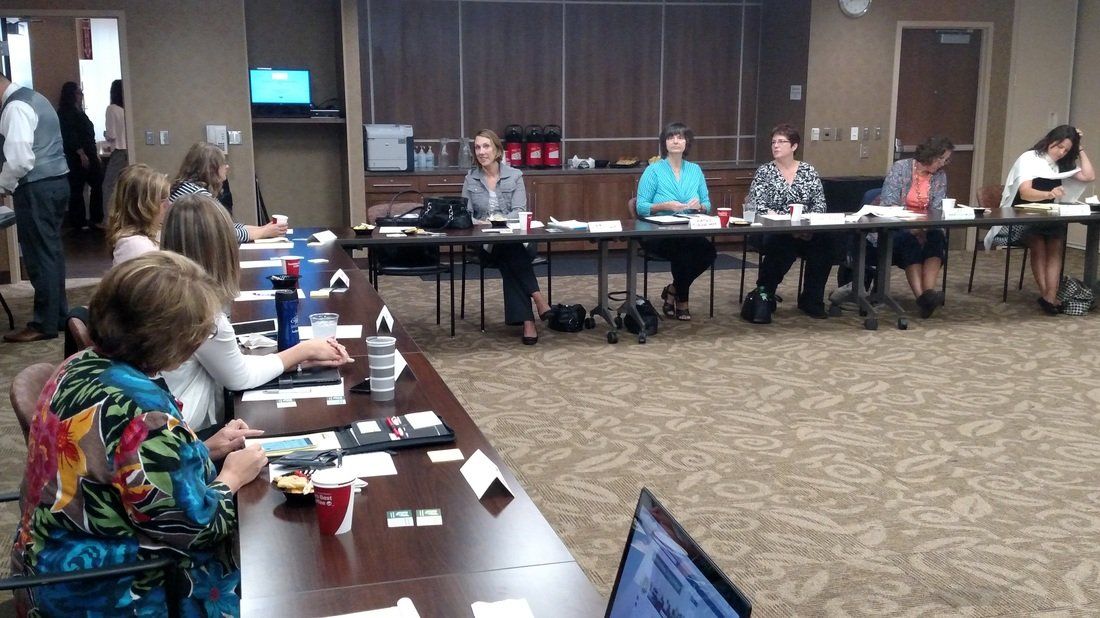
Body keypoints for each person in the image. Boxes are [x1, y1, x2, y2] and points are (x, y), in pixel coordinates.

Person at [11, 251, 269, 616]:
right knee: (277, 567)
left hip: (45, 564)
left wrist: (200, 449)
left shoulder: (79, 365)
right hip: (106, 588)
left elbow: (118, 465)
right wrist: (230, 478)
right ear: (168, 337)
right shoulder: (142, 413)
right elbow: (195, 528)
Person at [160, 193, 352, 432]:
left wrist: (300, 359)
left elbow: (227, 363)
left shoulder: (163, 294)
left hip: (162, 422)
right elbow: (239, 377)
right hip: (186, 431)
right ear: (223, 250)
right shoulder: (201, 313)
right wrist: (305, 349)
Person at [987, 125, 1095, 314]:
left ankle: (1049, 296)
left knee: (1055, 246)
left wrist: (1080, 148)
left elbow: (1089, 175)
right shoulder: (1030, 158)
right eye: (1059, 146)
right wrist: (1049, 193)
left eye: (1066, 150)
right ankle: (1047, 295)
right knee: (1038, 243)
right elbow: (1025, 193)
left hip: (1049, 214)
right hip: (1021, 215)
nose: (1061, 152)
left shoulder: (1061, 163)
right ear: (1050, 140)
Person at [461, 128, 552, 344]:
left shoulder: (515, 175)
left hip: (516, 239)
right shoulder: (470, 179)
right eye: (477, 147)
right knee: (507, 250)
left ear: (497, 150)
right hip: (485, 244)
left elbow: (519, 210)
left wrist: (496, 221)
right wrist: (481, 224)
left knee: (509, 249)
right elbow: (464, 213)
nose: (481, 151)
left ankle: (529, 318)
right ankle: (538, 301)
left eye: (486, 146)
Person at [0, 74, 71, 343]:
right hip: (57, 182)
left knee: (39, 256)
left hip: (36, 187)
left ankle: (43, 323)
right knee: (51, 252)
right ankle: (58, 316)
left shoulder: (15, 107)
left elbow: (19, 160)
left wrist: (2, 184)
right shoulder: (34, 97)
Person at [745, 123, 836, 319]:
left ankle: (812, 299)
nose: (776, 146)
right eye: (773, 142)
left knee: (825, 245)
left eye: (781, 142)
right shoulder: (764, 172)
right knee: (782, 245)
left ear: (794, 146)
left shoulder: (808, 171)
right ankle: (764, 294)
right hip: (774, 231)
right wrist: (787, 226)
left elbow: (819, 205)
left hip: (806, 231)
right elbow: (758, 206)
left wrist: (804, 226)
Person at [635, 122, 716, 321]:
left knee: (709, 252)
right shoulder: (653, 170)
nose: (675, 141)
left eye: (680, 137)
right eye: (671, 137)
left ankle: (673, 289)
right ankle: (682, 301)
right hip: (658, 233)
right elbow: (641, 206)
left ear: (687, 142)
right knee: (684, 251)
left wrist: (701, 206)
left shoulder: (695, 170)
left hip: (688, 228)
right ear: (665, 143)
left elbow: (707, 204)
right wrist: (664, 206)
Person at [878, 136, 954, 318]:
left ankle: (928, 293)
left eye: (946, 160)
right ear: (930, 155)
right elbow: (889, 203)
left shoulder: (940, 176)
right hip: (898, 227)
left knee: (937, 237)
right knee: (909, 241)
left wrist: (924, 227)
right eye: (941, 159)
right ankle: (923, 298)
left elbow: (937, 207)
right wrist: (912, 225)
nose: (943, 164)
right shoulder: (901, 168)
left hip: (927, 226)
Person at [170, 141, 285, 243]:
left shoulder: (187, 187)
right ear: (211, 169)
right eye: (223, 163)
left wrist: (264, 229)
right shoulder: (198, 196)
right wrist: (263, 233)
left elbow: (226, 225)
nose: (227, 166)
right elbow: (223, 233)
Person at [56, 81, 103, 230]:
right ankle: (79, 221)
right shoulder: (65, 113)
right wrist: (81, 153)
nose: (81, 96)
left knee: (96, 184)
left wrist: (94, 153)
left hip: (89, 152)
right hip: (77, 156)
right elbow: (69, 135)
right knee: (76, 189)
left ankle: (95, 218)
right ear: (72, 95)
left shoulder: (80, 112)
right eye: (79, 93)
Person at [105, 163, 171, 265]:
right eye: (162, 200)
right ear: (142, 206)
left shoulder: (152, 233)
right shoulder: (134, 246)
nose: (168, 205)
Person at [101, 78, 127, 207]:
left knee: (109, 186)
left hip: (118, 152)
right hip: (128, 151)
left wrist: (105, 134)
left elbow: (111, 135)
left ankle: (108, 220)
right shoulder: (125, 110)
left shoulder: (111, 109)